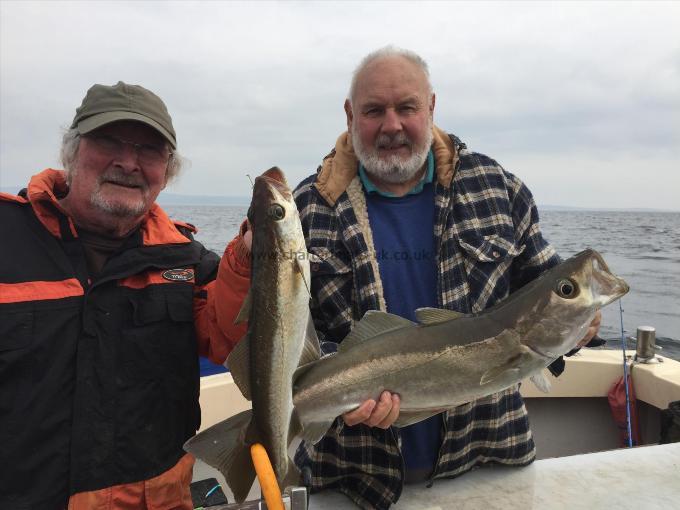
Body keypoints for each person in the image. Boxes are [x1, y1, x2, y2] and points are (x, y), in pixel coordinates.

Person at [231, 46, 601, 509]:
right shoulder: (306, 207)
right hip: (351, 475)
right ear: (349, 114)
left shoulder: (496, 187)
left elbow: (542, 284)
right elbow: (293, 338)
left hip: (488, 459)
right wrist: (353, 384)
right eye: (373, 111)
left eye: (406, 107)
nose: (392, 125)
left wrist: (581, 323)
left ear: (431, 107)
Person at [0, 82, 250, 509]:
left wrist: (246, 261)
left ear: (167, 170)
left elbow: (231, 344)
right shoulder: (8, 235)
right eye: (108, 141)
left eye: (149, 150)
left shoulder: (186, 260)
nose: (128, 162)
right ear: (72, 151)